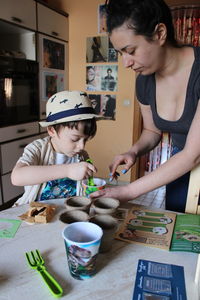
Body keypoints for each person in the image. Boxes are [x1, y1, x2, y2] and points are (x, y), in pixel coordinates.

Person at [90, 0, 200, 213]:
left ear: (159, 33)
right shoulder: (144, 80)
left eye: (130, 50)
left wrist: (128, 191)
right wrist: (133, 151)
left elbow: (193, 154)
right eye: (121, 53)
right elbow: (152, 130)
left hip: (189, 158)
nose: (126, 63)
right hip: (180, 164)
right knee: (178, 229)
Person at [11, 90, 99, 205]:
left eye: (86, 139)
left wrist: (91, 189)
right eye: (75, 139)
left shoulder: (82, 155)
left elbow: (85, 187)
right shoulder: (37, 149)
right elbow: (17, 177)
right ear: (52, 130)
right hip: (38, 214)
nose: (81, 146)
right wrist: (67, 170)